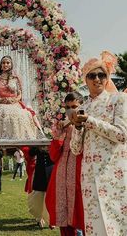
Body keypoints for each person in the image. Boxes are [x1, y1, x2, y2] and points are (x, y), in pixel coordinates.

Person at [69, 51, 127, 235]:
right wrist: (77, 127)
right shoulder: (82, 107)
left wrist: (90, 121)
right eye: (92, 75)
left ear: (107, 77)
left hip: (114, 174)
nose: (97, 79)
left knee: (118, 226)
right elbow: (75, 149)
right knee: (96, 228)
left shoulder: (119, 100)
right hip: (89, 178)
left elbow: (122, 134)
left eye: (101, 74)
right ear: (85, 80)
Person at [46, 92, 85, 236]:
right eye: (68, 107)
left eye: (74, 106)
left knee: (83, 214)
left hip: (79, 174)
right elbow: (53, 156)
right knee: (64, 217)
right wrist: (58, 136)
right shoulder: (62, 126)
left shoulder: (88, 123)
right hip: (61, 175)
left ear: (82, 106)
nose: (71, 110)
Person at [0, 55, 42, 140]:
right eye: (3, 63)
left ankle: (20, 138)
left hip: (14, 103)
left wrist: (14, 100)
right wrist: (3, 100)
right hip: (0, 103)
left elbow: (19, 94)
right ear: (0, 65)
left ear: (11, 64)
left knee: (22, 114)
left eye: (8, 63)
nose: (5, 65)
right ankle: (3, 138)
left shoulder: (16, 78)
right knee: (4, 111)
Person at [28, 146, 54, 229]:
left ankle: (51, 220)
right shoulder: (38, 141)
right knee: (38, 198)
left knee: (51, 199)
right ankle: (39, 219)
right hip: (40, 174)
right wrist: (39, 148)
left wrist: (49, 149)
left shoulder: (55, 140)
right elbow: (31, 152)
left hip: (51, 173)